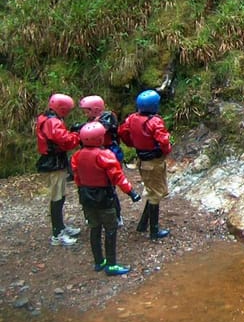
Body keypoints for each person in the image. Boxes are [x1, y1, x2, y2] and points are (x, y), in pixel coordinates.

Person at [71, 121, 141, 275]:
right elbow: (118, 177)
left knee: (94, 228)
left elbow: (77, 177)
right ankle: (111, 264)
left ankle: (98, 261)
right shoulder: (104, 155)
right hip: (103, 197)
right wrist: (131, 192)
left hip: (86, 197)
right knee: (110, 228)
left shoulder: (77, 156)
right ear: (99, 139)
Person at [118, 90, 171, 240]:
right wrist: (165, 151)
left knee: (151, 190)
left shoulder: (131, 119)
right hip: (153, 161)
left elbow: (123, 133)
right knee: (155, 193)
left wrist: (132, 143)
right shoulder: (155, 122)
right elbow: (164, 141)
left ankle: (143, 224)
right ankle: (154, 231)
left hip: (142, 159)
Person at [35, 93, 82, 246]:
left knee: (60, 196)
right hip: (53, 163)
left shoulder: (49, 119)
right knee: (57, 197)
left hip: (56, 161)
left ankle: (61, 227)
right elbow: (65, 141)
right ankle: (57, 234)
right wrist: (77, 134)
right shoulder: (52, 122)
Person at [77, 95, 124, 226]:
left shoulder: (107, 117)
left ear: (95, 109)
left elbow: (102, 128)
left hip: (110, 153)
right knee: (93, 185)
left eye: (87, 110)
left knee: (109, 186)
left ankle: (116, 215)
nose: (85, 113)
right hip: (96, 155)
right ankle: (94, 215)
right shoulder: (91, 120)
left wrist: (80, 127)